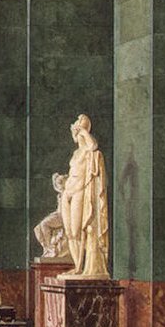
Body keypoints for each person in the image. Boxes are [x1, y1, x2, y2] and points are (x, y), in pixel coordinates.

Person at [59, 113, 109, 279]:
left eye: (76, 127)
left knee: (77, 230)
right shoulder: (76, 154)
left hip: (79, 192)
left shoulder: (89, 153)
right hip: (68, 193)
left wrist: (83, 131)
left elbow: (94, 145)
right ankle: (77, 266)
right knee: (69, 233)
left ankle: (81, 266)